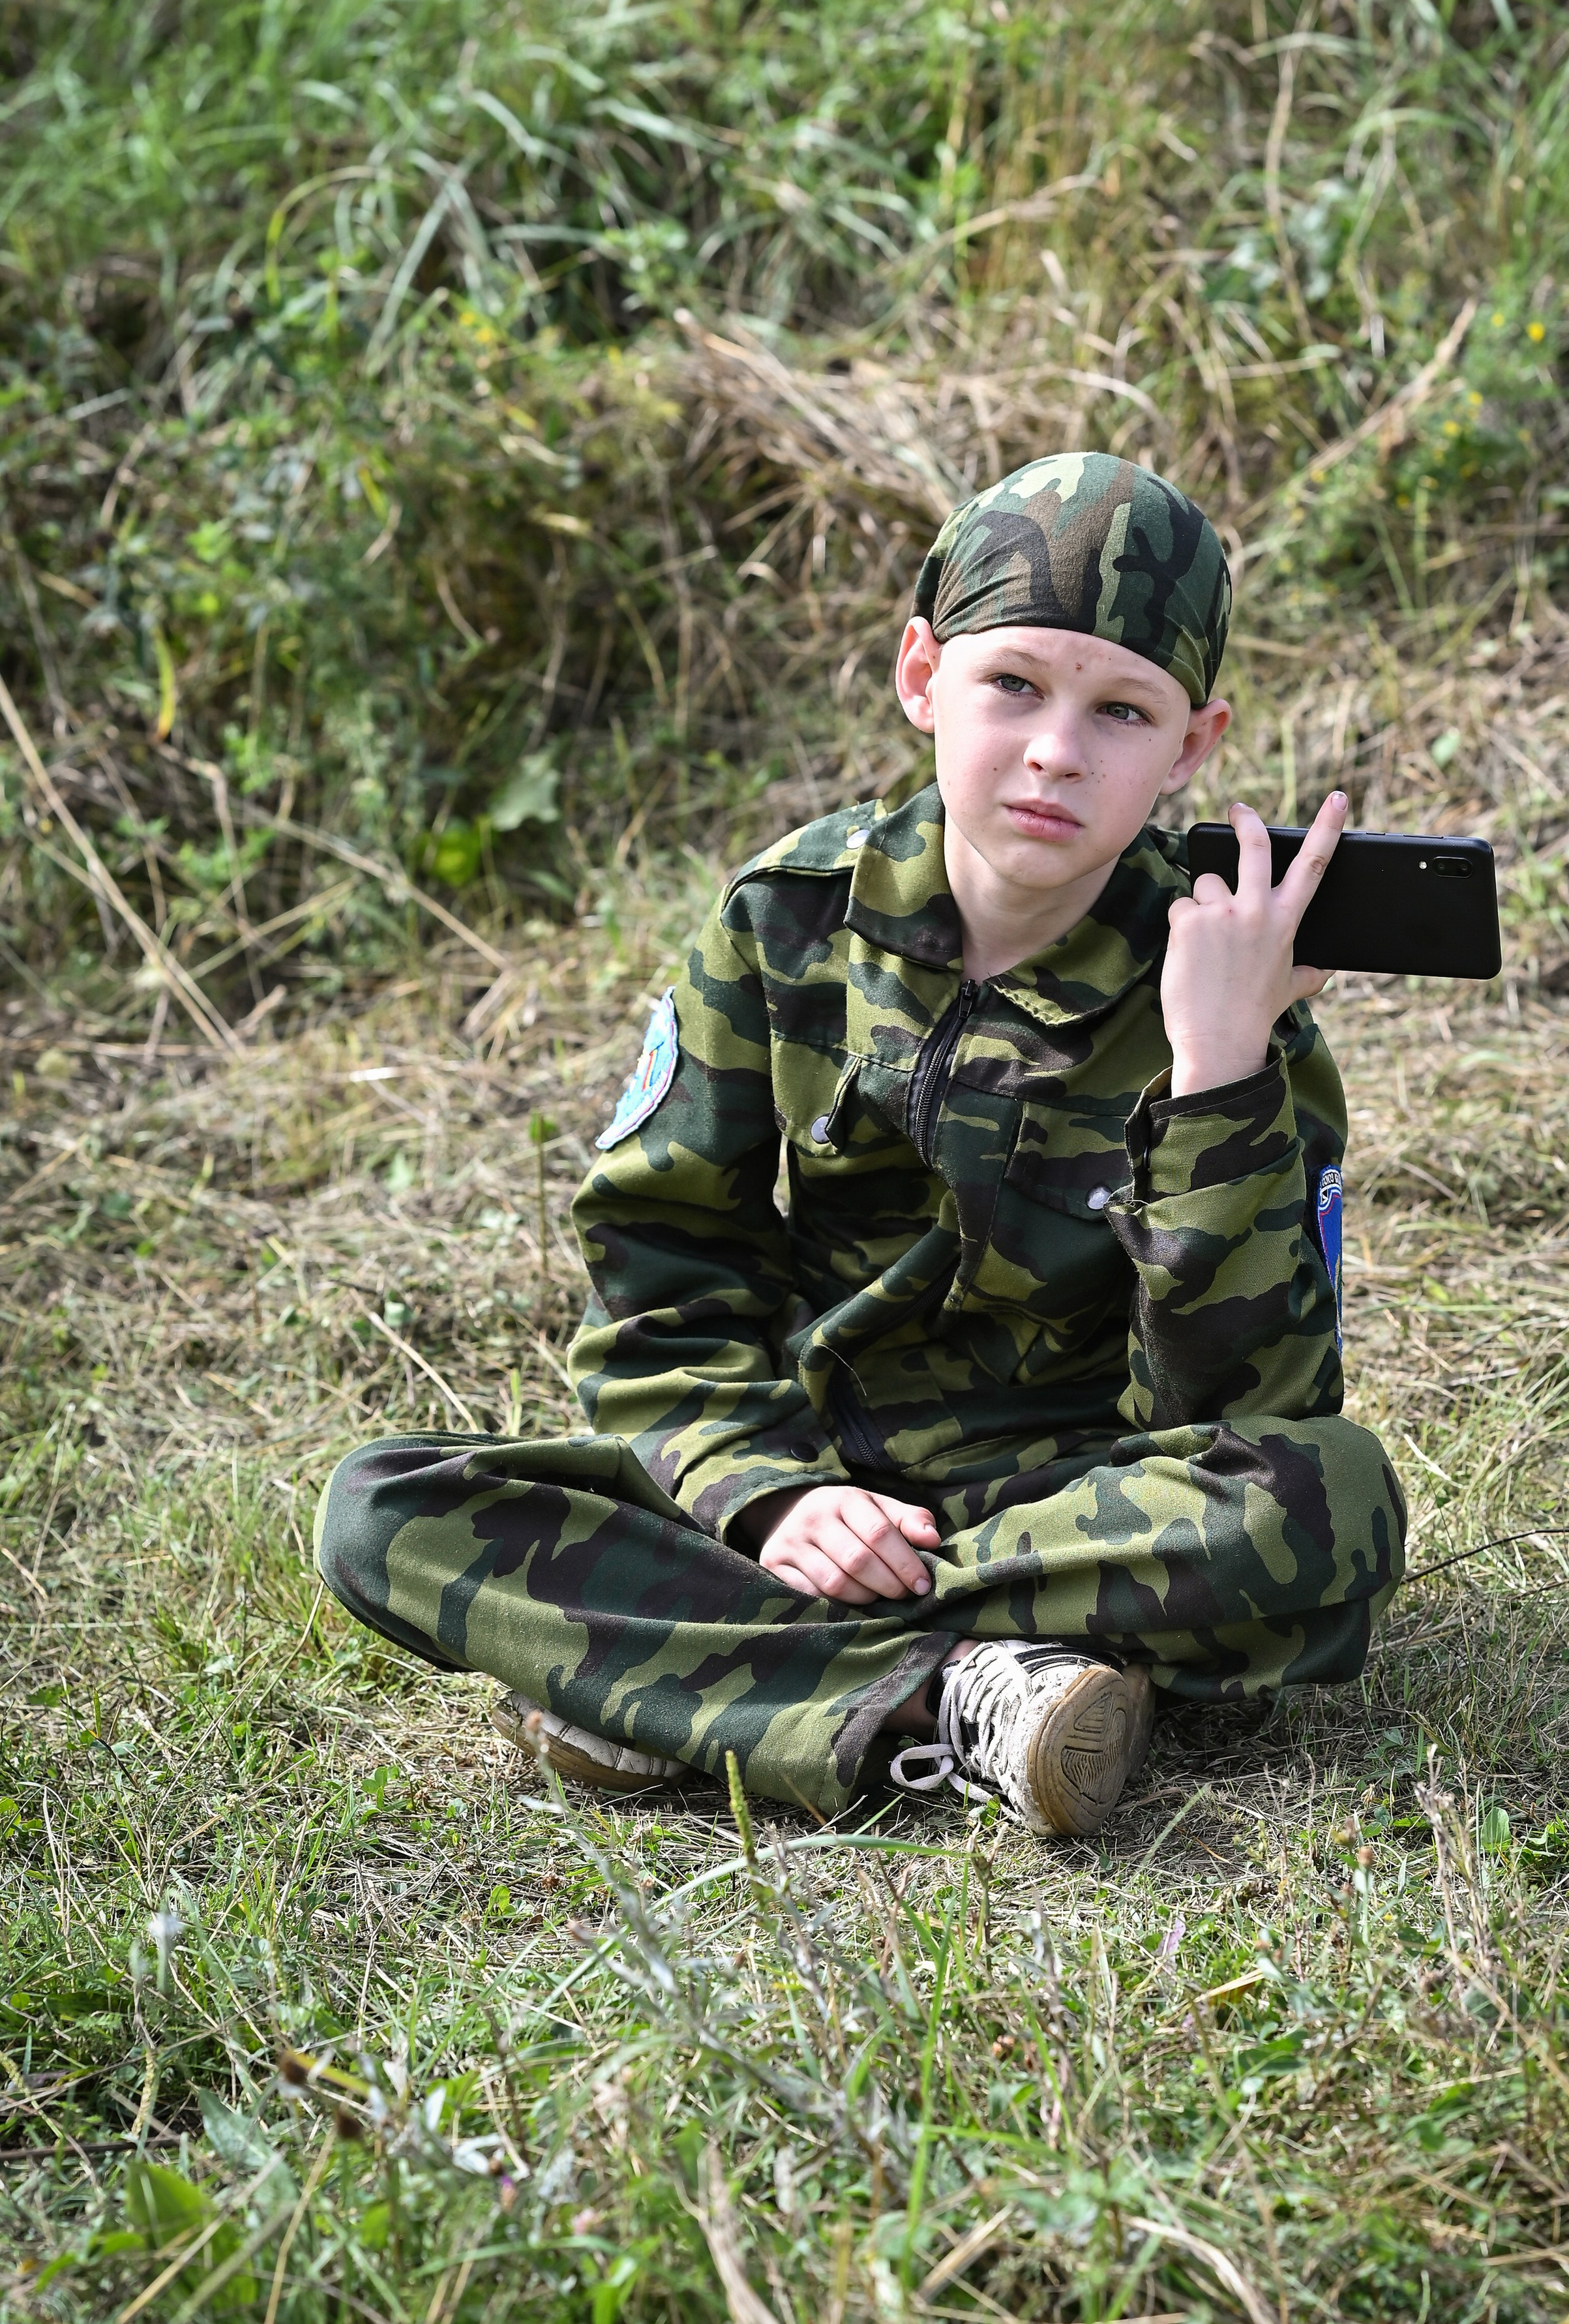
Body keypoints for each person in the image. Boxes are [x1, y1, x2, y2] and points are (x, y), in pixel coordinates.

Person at [314, 453, 1406, 1837]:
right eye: (1011, 685)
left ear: (1190, 745)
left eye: (1120, 710)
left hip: (1073, 1509)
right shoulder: (787, 923)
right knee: (379, 1509)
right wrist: (766, 1496)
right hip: (815, 1460)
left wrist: (1216, 1073)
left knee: (1324, 1500)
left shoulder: (1229, 993)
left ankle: (682, 1678)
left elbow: (1244, 1407)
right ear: (919, 677)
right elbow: (660, 1295)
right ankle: (963, 1696)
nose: (1055, 751)